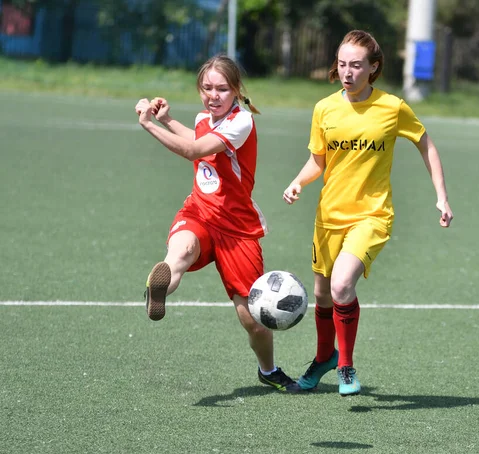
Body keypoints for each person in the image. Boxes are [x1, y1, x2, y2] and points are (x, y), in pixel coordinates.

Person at [282, 30, 454, 396]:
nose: (347, 71)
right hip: (329, 216)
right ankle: (323, 357)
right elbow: (318, 161)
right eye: (342, 64)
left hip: (372, 215)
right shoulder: (325, 108)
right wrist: (299, 181)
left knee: (343, 284)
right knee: (324, 295)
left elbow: (427, 145)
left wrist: (441, 196)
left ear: (373, 68)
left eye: (356, 65)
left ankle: (345, 366)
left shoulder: (392, 108)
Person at [135, 54, 300, 393]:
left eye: (222, 89)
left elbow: (195, 150)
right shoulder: (204, 118)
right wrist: (167, 120)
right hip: (199, 212)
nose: (213, 95)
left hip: (238, 230)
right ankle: (159, 287)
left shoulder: (241, 122)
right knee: (180, 253)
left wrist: (149, 125)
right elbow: (197, 135)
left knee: (252, 321)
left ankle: (267, 370)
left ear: (237, 90)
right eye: (206, 88)